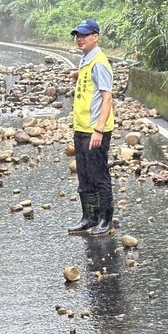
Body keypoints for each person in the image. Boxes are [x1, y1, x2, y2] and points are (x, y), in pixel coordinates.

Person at [67, 18, 115, 237]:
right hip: (81, 128)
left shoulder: (99, 63)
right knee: (84, 176)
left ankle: (106, 220)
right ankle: (89, 217)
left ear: (95, 37)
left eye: (84, 35)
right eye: (78, 35)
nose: (80, 39)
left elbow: (107, 98)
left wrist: (99, 130)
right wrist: (77, 75)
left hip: (94, 130)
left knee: (98, 176)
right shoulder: (86, 59)